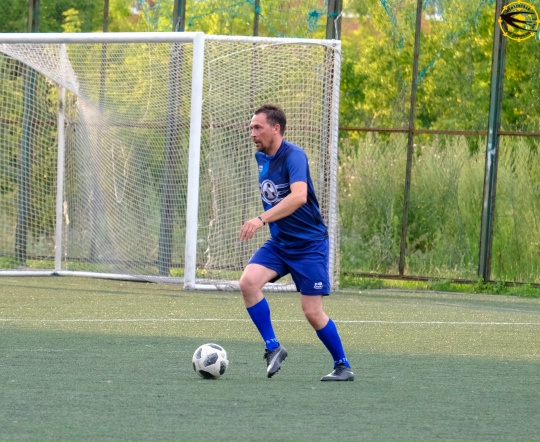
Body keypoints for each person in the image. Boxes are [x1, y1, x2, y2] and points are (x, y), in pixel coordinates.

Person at [239, 104, 354, 382]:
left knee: (312, 312)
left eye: (258, 127)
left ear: (275, 128)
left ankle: (343, 366)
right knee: (248, 282)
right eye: (251, 127)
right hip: (280, 244)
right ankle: (273, 347)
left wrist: (261, 219)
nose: (252, 133)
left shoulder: (294, 156)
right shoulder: (260, 158)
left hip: (309, 245)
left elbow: (299, 196)